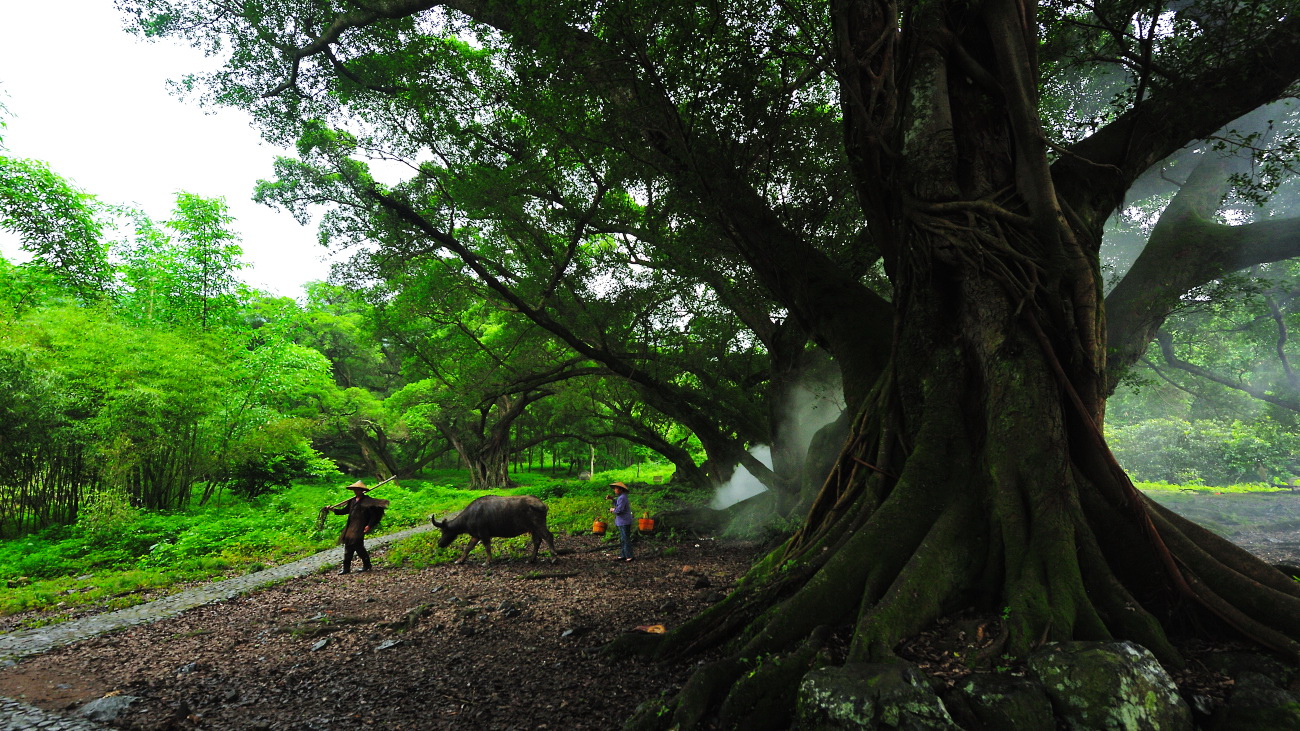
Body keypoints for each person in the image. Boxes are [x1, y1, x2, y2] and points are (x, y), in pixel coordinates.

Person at [328, 480, 389, 574]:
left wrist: (369, 525)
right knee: (348, 547)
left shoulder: (367, 501)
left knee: (358, 546)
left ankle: (367, 565)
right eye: (355, 490)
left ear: (362, 490)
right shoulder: (352, 501)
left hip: (360, 527)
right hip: (351, 527)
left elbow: (373, 516)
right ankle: (346, 568)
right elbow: (344, 511)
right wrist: (333, 510)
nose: (356, 492)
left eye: (358, 490)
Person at [608, 481, 634, 562]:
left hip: (624, 521)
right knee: (623, 539)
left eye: (616, 489)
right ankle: (623, 554)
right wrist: (612, 499)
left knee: (625, 539)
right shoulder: (621, 497)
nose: (615, 490)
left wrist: (613, 510)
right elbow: (618, 503)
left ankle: (629, 555)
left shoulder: (622, 497)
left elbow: (619, 509)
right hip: (622, 521)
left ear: (620, 489)